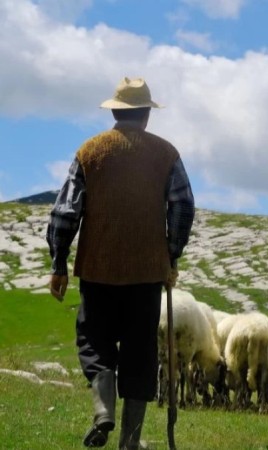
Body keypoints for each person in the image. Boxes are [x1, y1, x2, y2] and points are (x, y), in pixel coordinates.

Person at [46, 77, 195, 449]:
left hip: (98, 269)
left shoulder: (91, 152)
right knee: (140, 351)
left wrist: (59, 263)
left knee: (94, 342)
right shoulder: (166, 154)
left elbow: (65, 212)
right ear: (146, 115)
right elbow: (183, 205)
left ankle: (103, 411)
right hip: (146, 272)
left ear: (115, 111)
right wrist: (170, 254)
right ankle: (130, 441)